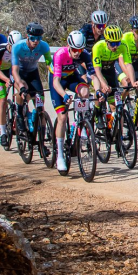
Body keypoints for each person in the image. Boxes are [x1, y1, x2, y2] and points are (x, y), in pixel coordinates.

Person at [50, 31, 91, 172]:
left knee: (85, 91)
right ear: (69, 46)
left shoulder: (84, 54)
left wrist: (99, 90)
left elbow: (93, 75)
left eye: (80, 50)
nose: (77, 53)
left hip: (72, 77)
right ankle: (60, 155)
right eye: (74, 50)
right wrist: (64, 95)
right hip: (58, 81)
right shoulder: (60, 55)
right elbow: (56, 82)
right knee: (62, 116)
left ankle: (80, 121)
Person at [10, 23, 51, 144]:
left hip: (33, 73)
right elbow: (14, 70)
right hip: (20, 73)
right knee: (24, 92)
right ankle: (20, 113)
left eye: (39, 38)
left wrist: (55, 74)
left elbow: (49, 62)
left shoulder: (43, 46)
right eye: (33, 38)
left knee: (40, 105)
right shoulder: (18, 47)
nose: (36, 41)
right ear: (28, 36)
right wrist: (21, 86)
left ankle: (42, 141)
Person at [91, 24, 135, 110]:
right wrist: (104, 84)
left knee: (115, 107)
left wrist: (133, 82)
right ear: (106, 41)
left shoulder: (123, 45)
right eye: (112, 43)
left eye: (117, 43)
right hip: (98, 72)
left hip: (110, 70)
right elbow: (97, 70)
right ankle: (97, 112)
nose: (115, 46)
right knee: (100, 91)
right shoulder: (98, 47)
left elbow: (128, 64)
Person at [0, 30, 22, 149]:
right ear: (9, 44)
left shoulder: (21, 50)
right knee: (3, 101)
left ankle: (21, 115)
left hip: (12, 72)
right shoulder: (0, 50)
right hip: (1, 73)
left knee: (21, 90)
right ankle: (3, 133)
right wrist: (6, 80)